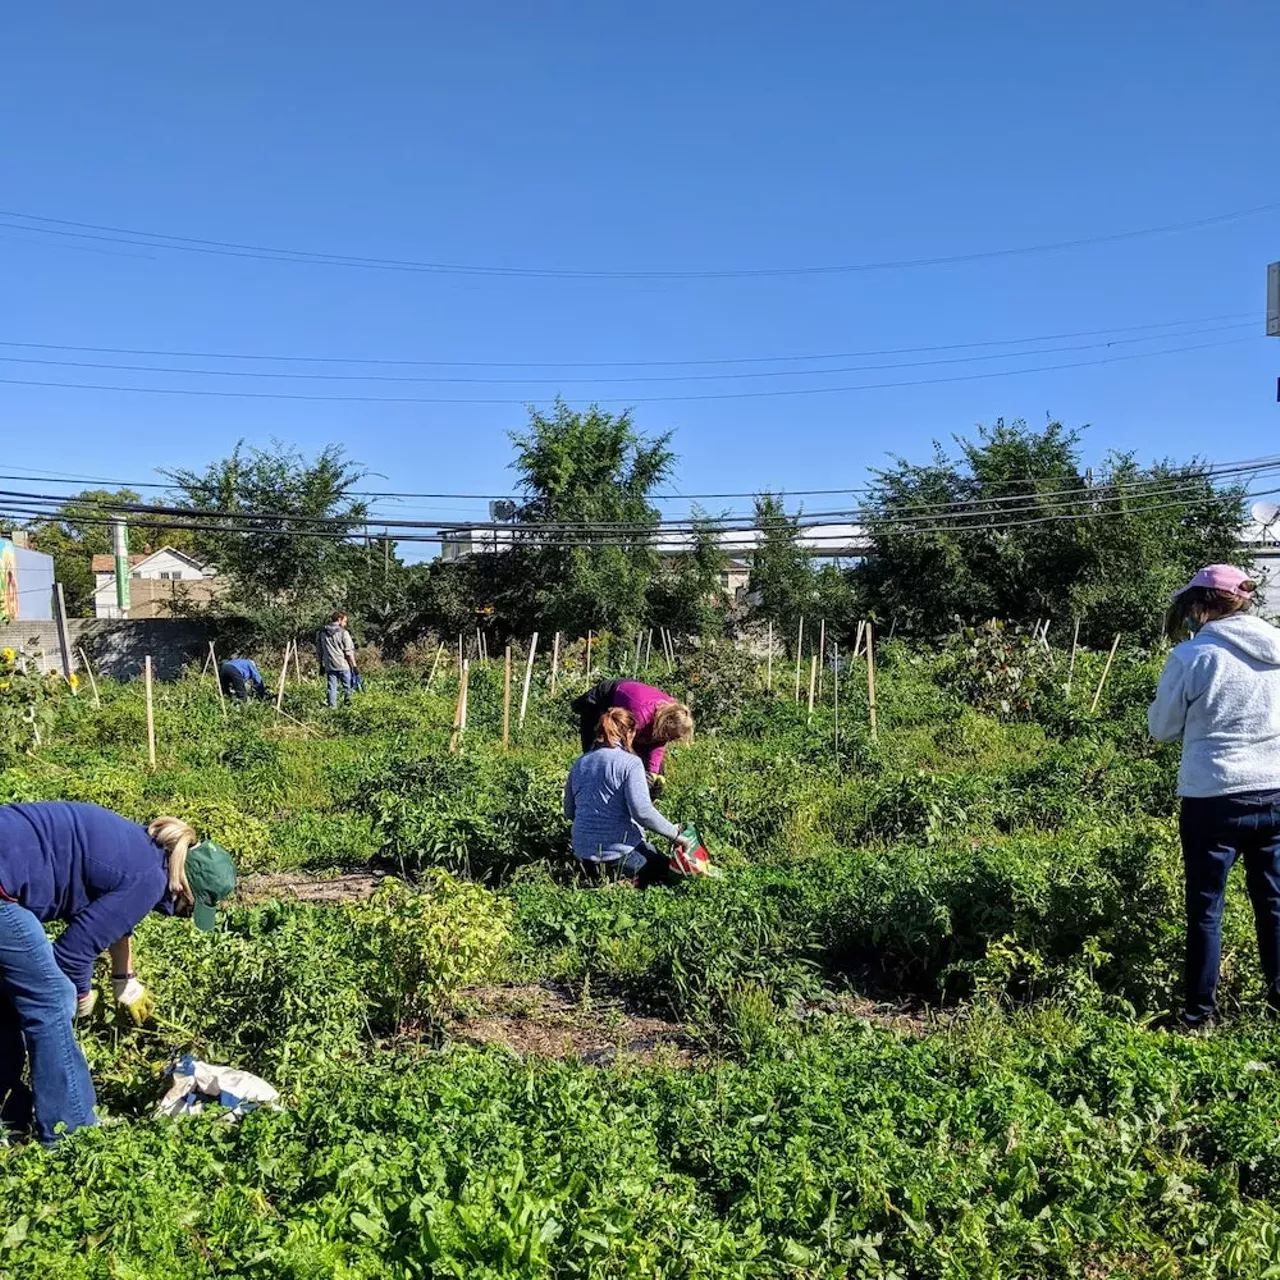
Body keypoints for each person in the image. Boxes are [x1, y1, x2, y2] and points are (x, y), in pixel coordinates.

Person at [0, 804, 237, 1144]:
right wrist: (81, 998)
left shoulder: (145, 852)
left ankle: (9, 1117)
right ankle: (73, 1135)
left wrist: (124, 978)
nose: (185, 915)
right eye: (191, 908)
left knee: (13, 997)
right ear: (185, 888)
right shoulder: (150, 879)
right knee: (52, 1000)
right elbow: (72, 951)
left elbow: (112, 915)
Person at [1147, 564, 1280, 1030]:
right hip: (1275, 790)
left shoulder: (1193, 656)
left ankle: (1199, 1016)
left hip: (1214, 795)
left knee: (1206, 908)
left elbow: (1161, 729)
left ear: (1201, 605)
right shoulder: (1278, 646)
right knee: (1274, 902)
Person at [563, 707, 690, 887]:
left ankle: (600, 880)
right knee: (670, 874)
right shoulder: (630, 763)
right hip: (618, 854)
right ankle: (625, 883)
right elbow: (642, 812)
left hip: (583, 856)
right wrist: (675, 834)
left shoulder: (579, 763)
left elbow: (569, 812)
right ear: (629, 734)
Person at [570, 679, 694, 797]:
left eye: (674, 738)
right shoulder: (641, 715)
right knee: (598, 759)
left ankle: (637, 810)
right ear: (665, 724)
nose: (670, 740)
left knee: (654, 780)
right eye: (670, 736)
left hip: (637, 709)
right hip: (602, 701)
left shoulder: (674, 716)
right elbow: (620, 750)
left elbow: (658, 744)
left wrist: (653, 774)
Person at [316, 610, 357, 708]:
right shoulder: (343, 633)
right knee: (347, 687)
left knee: (332, 687)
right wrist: (354, 666)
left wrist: (321, 665)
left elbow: (319, 651)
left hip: (329, 665)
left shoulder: (322, 633)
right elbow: (348, 652)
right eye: (345, 621)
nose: (345, 624)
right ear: (339, 619)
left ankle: (332, 707)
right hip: (343, 665)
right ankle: (348, 706)